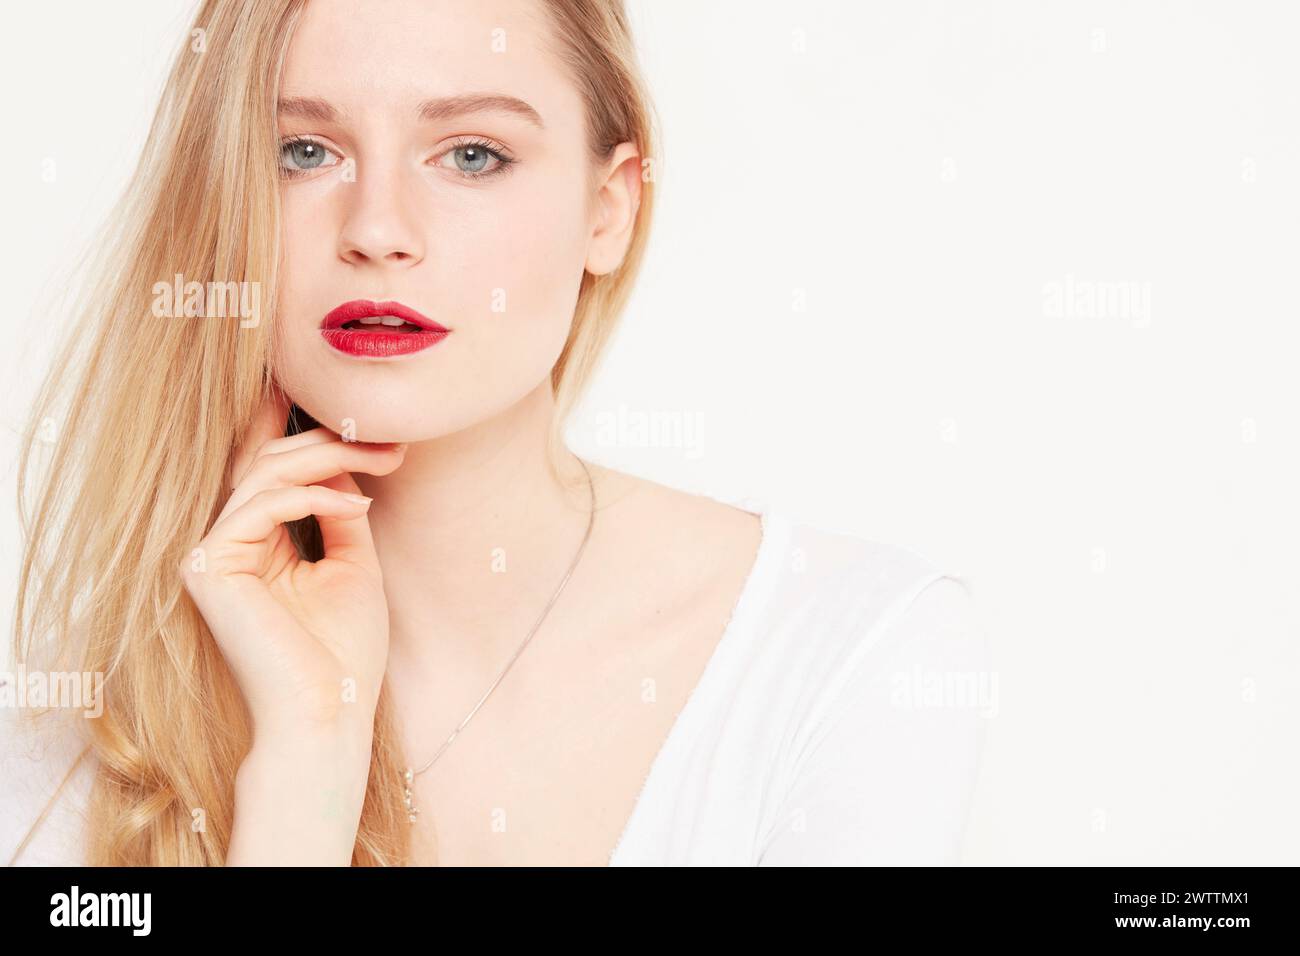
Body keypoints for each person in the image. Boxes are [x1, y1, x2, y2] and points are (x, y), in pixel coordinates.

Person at [3, 0, 989, 866]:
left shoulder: (844, 657)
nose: (378, 228)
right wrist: (307, 759)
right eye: (304, 151)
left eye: (472, 154)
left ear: (609, 210)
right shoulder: (76, 745)